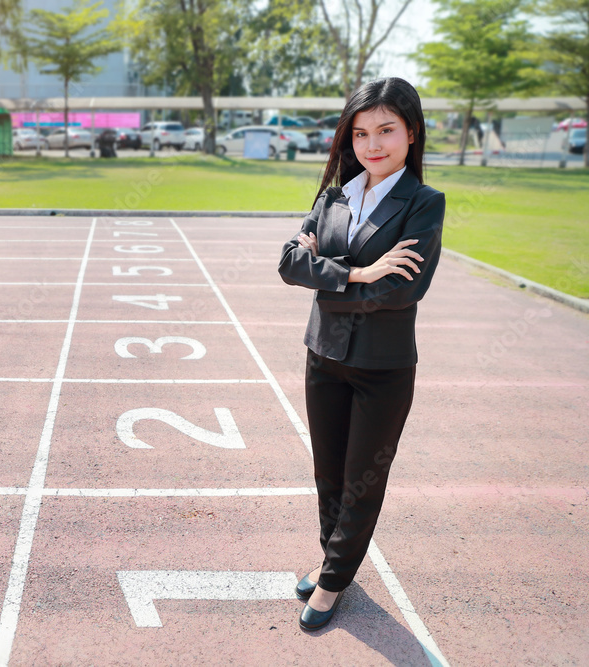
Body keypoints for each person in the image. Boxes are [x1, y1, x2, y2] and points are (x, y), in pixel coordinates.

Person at [277, 77, 446, 631]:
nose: (373, 144)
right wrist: (358, 273)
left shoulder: (423, 204)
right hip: (322, 356)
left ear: (411, 133)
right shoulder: (334, 193)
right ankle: (335, 560)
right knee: (328, 472)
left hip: (382, 368)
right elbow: (287, 263)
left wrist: (325, 278)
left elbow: (402, 291)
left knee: (362, 480)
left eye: (387, 131)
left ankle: (331, 583)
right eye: (361, 133)